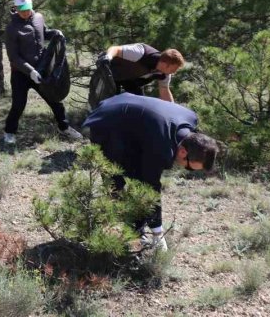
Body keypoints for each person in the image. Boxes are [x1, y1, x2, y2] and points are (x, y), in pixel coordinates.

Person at [82, 93, 219, 251]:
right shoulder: (161, 147)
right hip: (107, 121)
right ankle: (103, 231)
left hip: (128, 115)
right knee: (116, 181)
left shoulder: (190, 120)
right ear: (183, 152)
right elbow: (151, 188)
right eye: (188, 166)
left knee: (138, 176)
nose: (185, 168)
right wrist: (158, 233)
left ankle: (136, 230)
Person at [3, 0, 84, 145]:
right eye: (22, 10)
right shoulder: (12, 28)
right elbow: (14, 57)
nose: (25, 13)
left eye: (28, 9)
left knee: (55, 99)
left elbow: (43, 33)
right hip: (21, 74)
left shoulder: (39, 18)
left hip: (41, 70)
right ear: (16, 8)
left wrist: (55, 33)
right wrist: (30, 71)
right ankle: (9, 132)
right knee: (18, 104)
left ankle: (64, 127)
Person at [99, 43, 185, 102]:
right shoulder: (141, 52)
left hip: (129, 80)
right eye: (174, 69)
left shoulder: (164, 75)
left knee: (139, 104)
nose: (174, 72)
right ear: (165, 64)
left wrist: (172, 111)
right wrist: (108, 57)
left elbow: (164, 91)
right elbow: (115, 49)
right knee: (109, 102)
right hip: (110, 71)